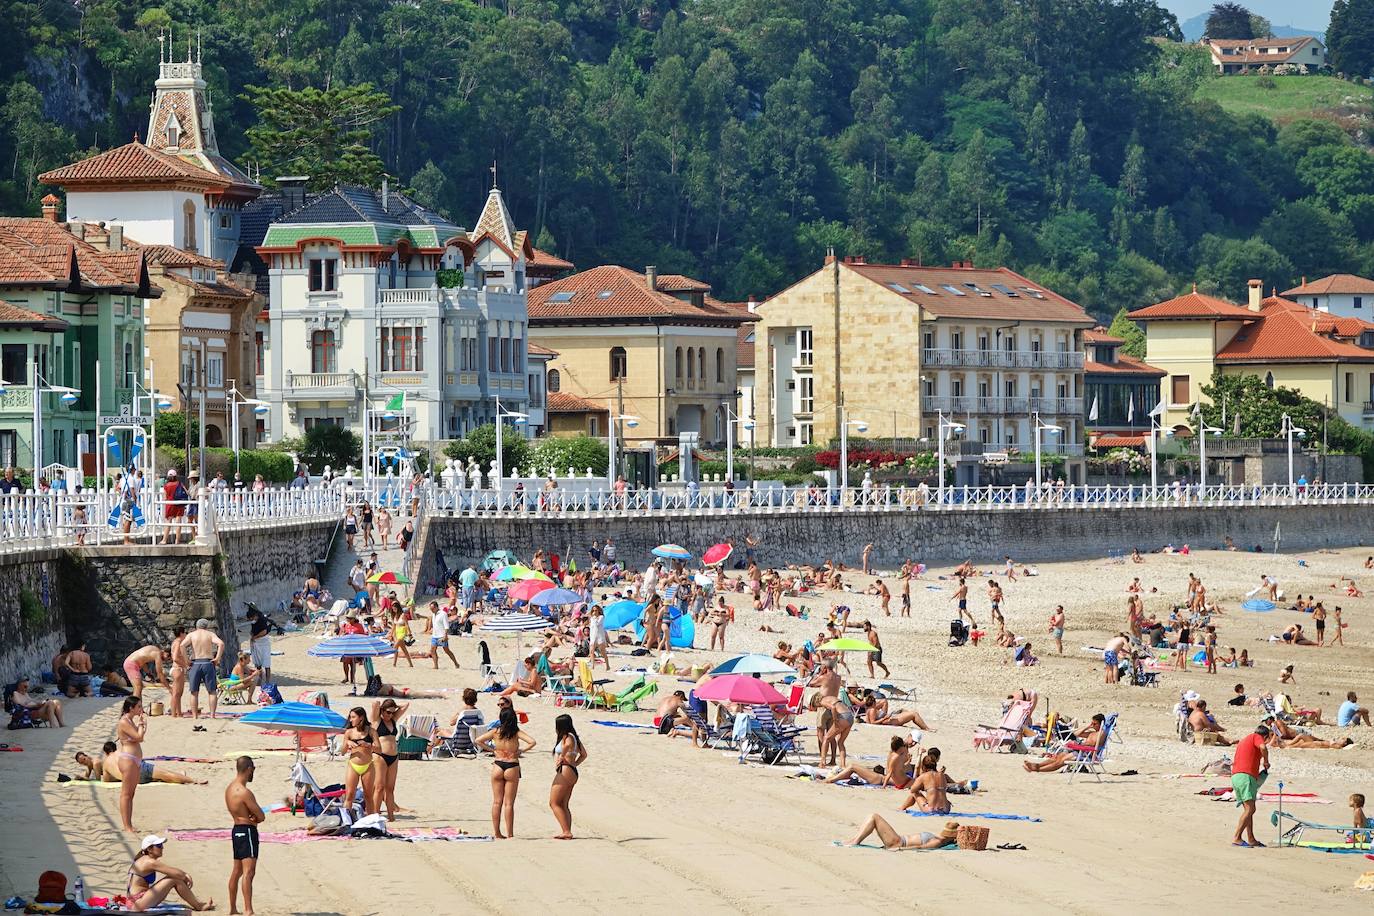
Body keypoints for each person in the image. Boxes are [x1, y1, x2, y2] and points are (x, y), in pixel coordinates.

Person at [476, 706, 537, 839]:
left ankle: (497, 832)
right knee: (509, 803)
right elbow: (532, 742)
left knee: (497, 802)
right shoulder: (516, 732)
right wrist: (521, 751)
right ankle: (510, 833)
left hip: (498, 764)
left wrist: (492, 750)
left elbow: (478, 740)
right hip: (511, 765)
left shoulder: (496, 731)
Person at [126, 835, 213, 912]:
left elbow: (174, 872)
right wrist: (186, 875)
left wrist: (183, 875)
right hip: (137, 903)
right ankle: (198, 906)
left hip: (136, 901)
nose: (162, 848)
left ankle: (197, 904)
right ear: (149, 849)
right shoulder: (149, 862)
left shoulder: (143, 859)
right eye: (159, 846)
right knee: (174, 879)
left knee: (173, 878)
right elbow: (177, 874)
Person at [226, 756, 263, 916]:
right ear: (248, 769)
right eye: (253, 769)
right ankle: (248, 910)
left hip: (236, 829)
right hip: (247, 831)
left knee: (237, 871)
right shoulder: (245, 792)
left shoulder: (229, 788)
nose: (253, 772)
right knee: (249, 872)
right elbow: (261, 816)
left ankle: (233, 909)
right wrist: (254, 818)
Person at [77, 742, 205, 785]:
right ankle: (193, 780)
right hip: (138, 769)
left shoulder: (105, 763)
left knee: (159, 778)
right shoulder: (120, 751)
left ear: (106, 753)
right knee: (165, 773)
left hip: (134, 781)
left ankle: (181, 777)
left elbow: (105, 782)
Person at [371, 699, 413, 818]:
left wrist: (394, 707)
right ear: (382, 711)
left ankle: (391, 817)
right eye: (388, 712)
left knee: (390, 788)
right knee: (379, 787)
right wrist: (383, 707)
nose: (390, 715)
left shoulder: (393, 720)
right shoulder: (377, 721)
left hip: (394, 757)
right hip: (380, 756)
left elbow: (406, 705)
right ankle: (375, 815)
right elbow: (375, 703)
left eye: (392, 712)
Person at [1231, 724, 1271, 847]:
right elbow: (1263, 747)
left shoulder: (1244, 740)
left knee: (1249, 810)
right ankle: (1237, 837)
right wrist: (1266, 761)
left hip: (1237, 776)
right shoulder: (1256, 737)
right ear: (1265, 736)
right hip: (1245, 776)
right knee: (1250, 809)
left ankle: (1251, 838)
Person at [1023, 714, 1108, 773]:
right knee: (1056, 757)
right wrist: (1088, 726)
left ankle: (1036, 769)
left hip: (1087, 753)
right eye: (1092, 723)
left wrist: (1080, 746)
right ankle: (1036, 765)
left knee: (1061, 761)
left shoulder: (1102, 733)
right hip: (1080, 750)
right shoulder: (1091, 733)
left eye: (1095, 723)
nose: (1093, 725)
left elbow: (1093, 744)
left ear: (1101, 724)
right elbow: (1075, 734)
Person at [549, 714, 588, 839]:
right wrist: (575, 764)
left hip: (566, 769)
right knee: (564, 803)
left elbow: (567, 746)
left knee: (554, 803)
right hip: (572, 770)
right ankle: (567, 830)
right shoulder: (575, 737)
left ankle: (566, 831)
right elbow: (584, 754)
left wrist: (561, 757)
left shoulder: (568, 736)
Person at [115, 696, 149, 833]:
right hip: (128, 759)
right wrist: (141, 725)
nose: (141, 709)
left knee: (131, 793)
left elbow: (139, 737)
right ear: (131, 708)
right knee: (126, 794)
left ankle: (129, 824)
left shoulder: (129, 720)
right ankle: (127, 826)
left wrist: (141, 726)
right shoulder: (124, 721)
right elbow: (139, 737)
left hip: (134, 759)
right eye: (139, 707)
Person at [824, 736, 913, 789]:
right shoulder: (896, 758)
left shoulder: (893, 755)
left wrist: (883, 786)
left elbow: (890, 772)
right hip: (880, 779)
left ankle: (832, 780)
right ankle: (835, 778)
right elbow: (891, 772)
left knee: (852, 766)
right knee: (852, 767)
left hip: (879, 779)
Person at [182, 618, 225, 720]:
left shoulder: (192, 635)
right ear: (206, 626)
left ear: (197, 626)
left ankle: (195, 716)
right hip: (207, 662)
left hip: (196, 662)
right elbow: (221, 644)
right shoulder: (210, 634)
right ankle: (212, 715)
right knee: (212, 691)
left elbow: (182, 645)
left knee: (194, 692)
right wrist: (217, 658)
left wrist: (186, 660)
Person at [342, 706, 381, 816]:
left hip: (368, 766)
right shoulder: (349, 732)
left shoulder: (371, 731)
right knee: (349, 795)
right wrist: (348, 743)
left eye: (353, 717)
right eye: (350, 717)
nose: (351, 720)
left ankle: (370, 822)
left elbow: (379, 749)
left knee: (368, 796)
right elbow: (343, 752)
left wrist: (369, 745)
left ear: (361, 718)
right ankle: (347, 821)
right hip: (353, 765)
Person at [843, 815, 959, 850]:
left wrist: (899, 849)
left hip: (897, 843)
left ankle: (856, 841)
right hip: (897, 840)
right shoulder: (938, 838)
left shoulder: (937, 842)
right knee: (874, 817)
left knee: (875, 817)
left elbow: (920, 847)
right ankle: (855, 840)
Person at [428, 602, 460, 669]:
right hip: (435, 635)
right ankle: (436, 665)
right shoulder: (434, 614)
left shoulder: (443, 614)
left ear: (436, 607)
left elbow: (446, 626)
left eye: (432, 608)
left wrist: (445, 636)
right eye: (430, 609)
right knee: (432, 650)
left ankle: (456, 663)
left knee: (446, 650)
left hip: (442, 635)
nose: (431, 610)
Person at [246, 608, 273, 687]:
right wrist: (252, 635)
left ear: (254, 616)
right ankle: (259, 680)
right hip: (256, 643)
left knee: (266, 662)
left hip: (263, 642)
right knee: (258, 663)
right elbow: (253, 630)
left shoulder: (262, 620)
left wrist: (255, 637)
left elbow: (264, 632)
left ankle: (267, 681)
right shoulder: (254, 622)